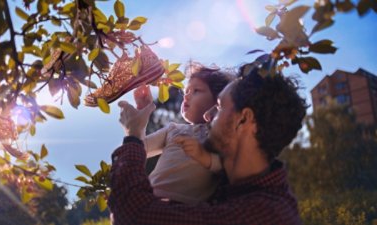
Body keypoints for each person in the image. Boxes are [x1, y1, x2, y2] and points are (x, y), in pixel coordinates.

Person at [108, 65, 307, 225]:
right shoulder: (231, 194)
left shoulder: (264, 215)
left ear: (244, 120)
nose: (207, 116)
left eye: (219, 108)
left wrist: (133, 134)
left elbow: (135, 217)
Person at [132, 65, 234, 204]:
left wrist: (206, 158)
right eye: (186, 91)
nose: (186, 95)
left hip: (185, 210)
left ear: (218, 101)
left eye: (196, 91)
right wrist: (142, 117)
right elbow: (138, 149)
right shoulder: (173, 129)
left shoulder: (218, 133)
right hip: (150, 200)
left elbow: (228, 165)